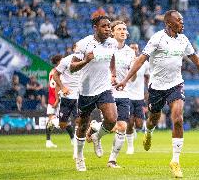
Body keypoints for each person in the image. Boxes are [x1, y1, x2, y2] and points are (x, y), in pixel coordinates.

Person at [116, 10, 199, 178]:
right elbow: (141, 59)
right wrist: (125, 80)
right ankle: (148, 132)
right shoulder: (157, 38)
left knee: (178, 118)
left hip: (175, 84)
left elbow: (197, 61)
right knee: (152, 120)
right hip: (157, 87)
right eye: (179, 20)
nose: (183, 23)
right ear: (169, 23)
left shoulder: (183, 39)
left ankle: (175, 161)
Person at [70, 16, 118, 171]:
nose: (108, 29)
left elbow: (112, 58)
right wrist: (85, 61)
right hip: (86, 90)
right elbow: (72, 67)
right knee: (83, 125)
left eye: (109, 27)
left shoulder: (112, 42)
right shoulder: (84, 44)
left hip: (104, 87)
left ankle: (96, 136)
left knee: (111, 120)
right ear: (95, 28)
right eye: (104, 26)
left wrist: (113, 73)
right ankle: (79, 157)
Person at [105, 21, 136, 168]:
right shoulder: (106, 48)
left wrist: (134, 69)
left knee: (122, 126)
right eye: (119, 29)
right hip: (106, 92)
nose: (123, 31)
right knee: (110, 126)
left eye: (124, 29)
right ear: (112, 32)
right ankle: (95, 129)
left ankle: (112, 160)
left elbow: (133, 78)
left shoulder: (131, 52)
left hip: (124, 93)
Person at [53, 49, 82, 148]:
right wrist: (62, 87)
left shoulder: (86, 61)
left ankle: (77, 144)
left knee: (79, 120)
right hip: (67, 96)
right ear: (74, 50)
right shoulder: (65, 61)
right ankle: (54, 121)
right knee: (62, 125)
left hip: (79, 95)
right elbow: (55, 75)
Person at [126, 43, 149, 155]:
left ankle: (135, 130)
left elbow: (148, 76)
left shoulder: (144, 63)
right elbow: (131, 79)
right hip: (127, 95)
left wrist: (148, 90)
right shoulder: (124, 62)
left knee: (139, 124)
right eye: (132, 48)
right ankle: (130, 147)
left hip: (139, 97)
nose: (134, 50)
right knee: (129, 122)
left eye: (136, 48)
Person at [46, 54, 63, 148]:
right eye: (62, 59)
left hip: (51, 97)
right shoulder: (57, 72)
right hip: (56, 97)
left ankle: (48, 141)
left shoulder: (52, 71)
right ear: (58, 62)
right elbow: (56, 86)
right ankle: (55, 123)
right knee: (55, 120)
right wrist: (57, 99)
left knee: (50, 119)